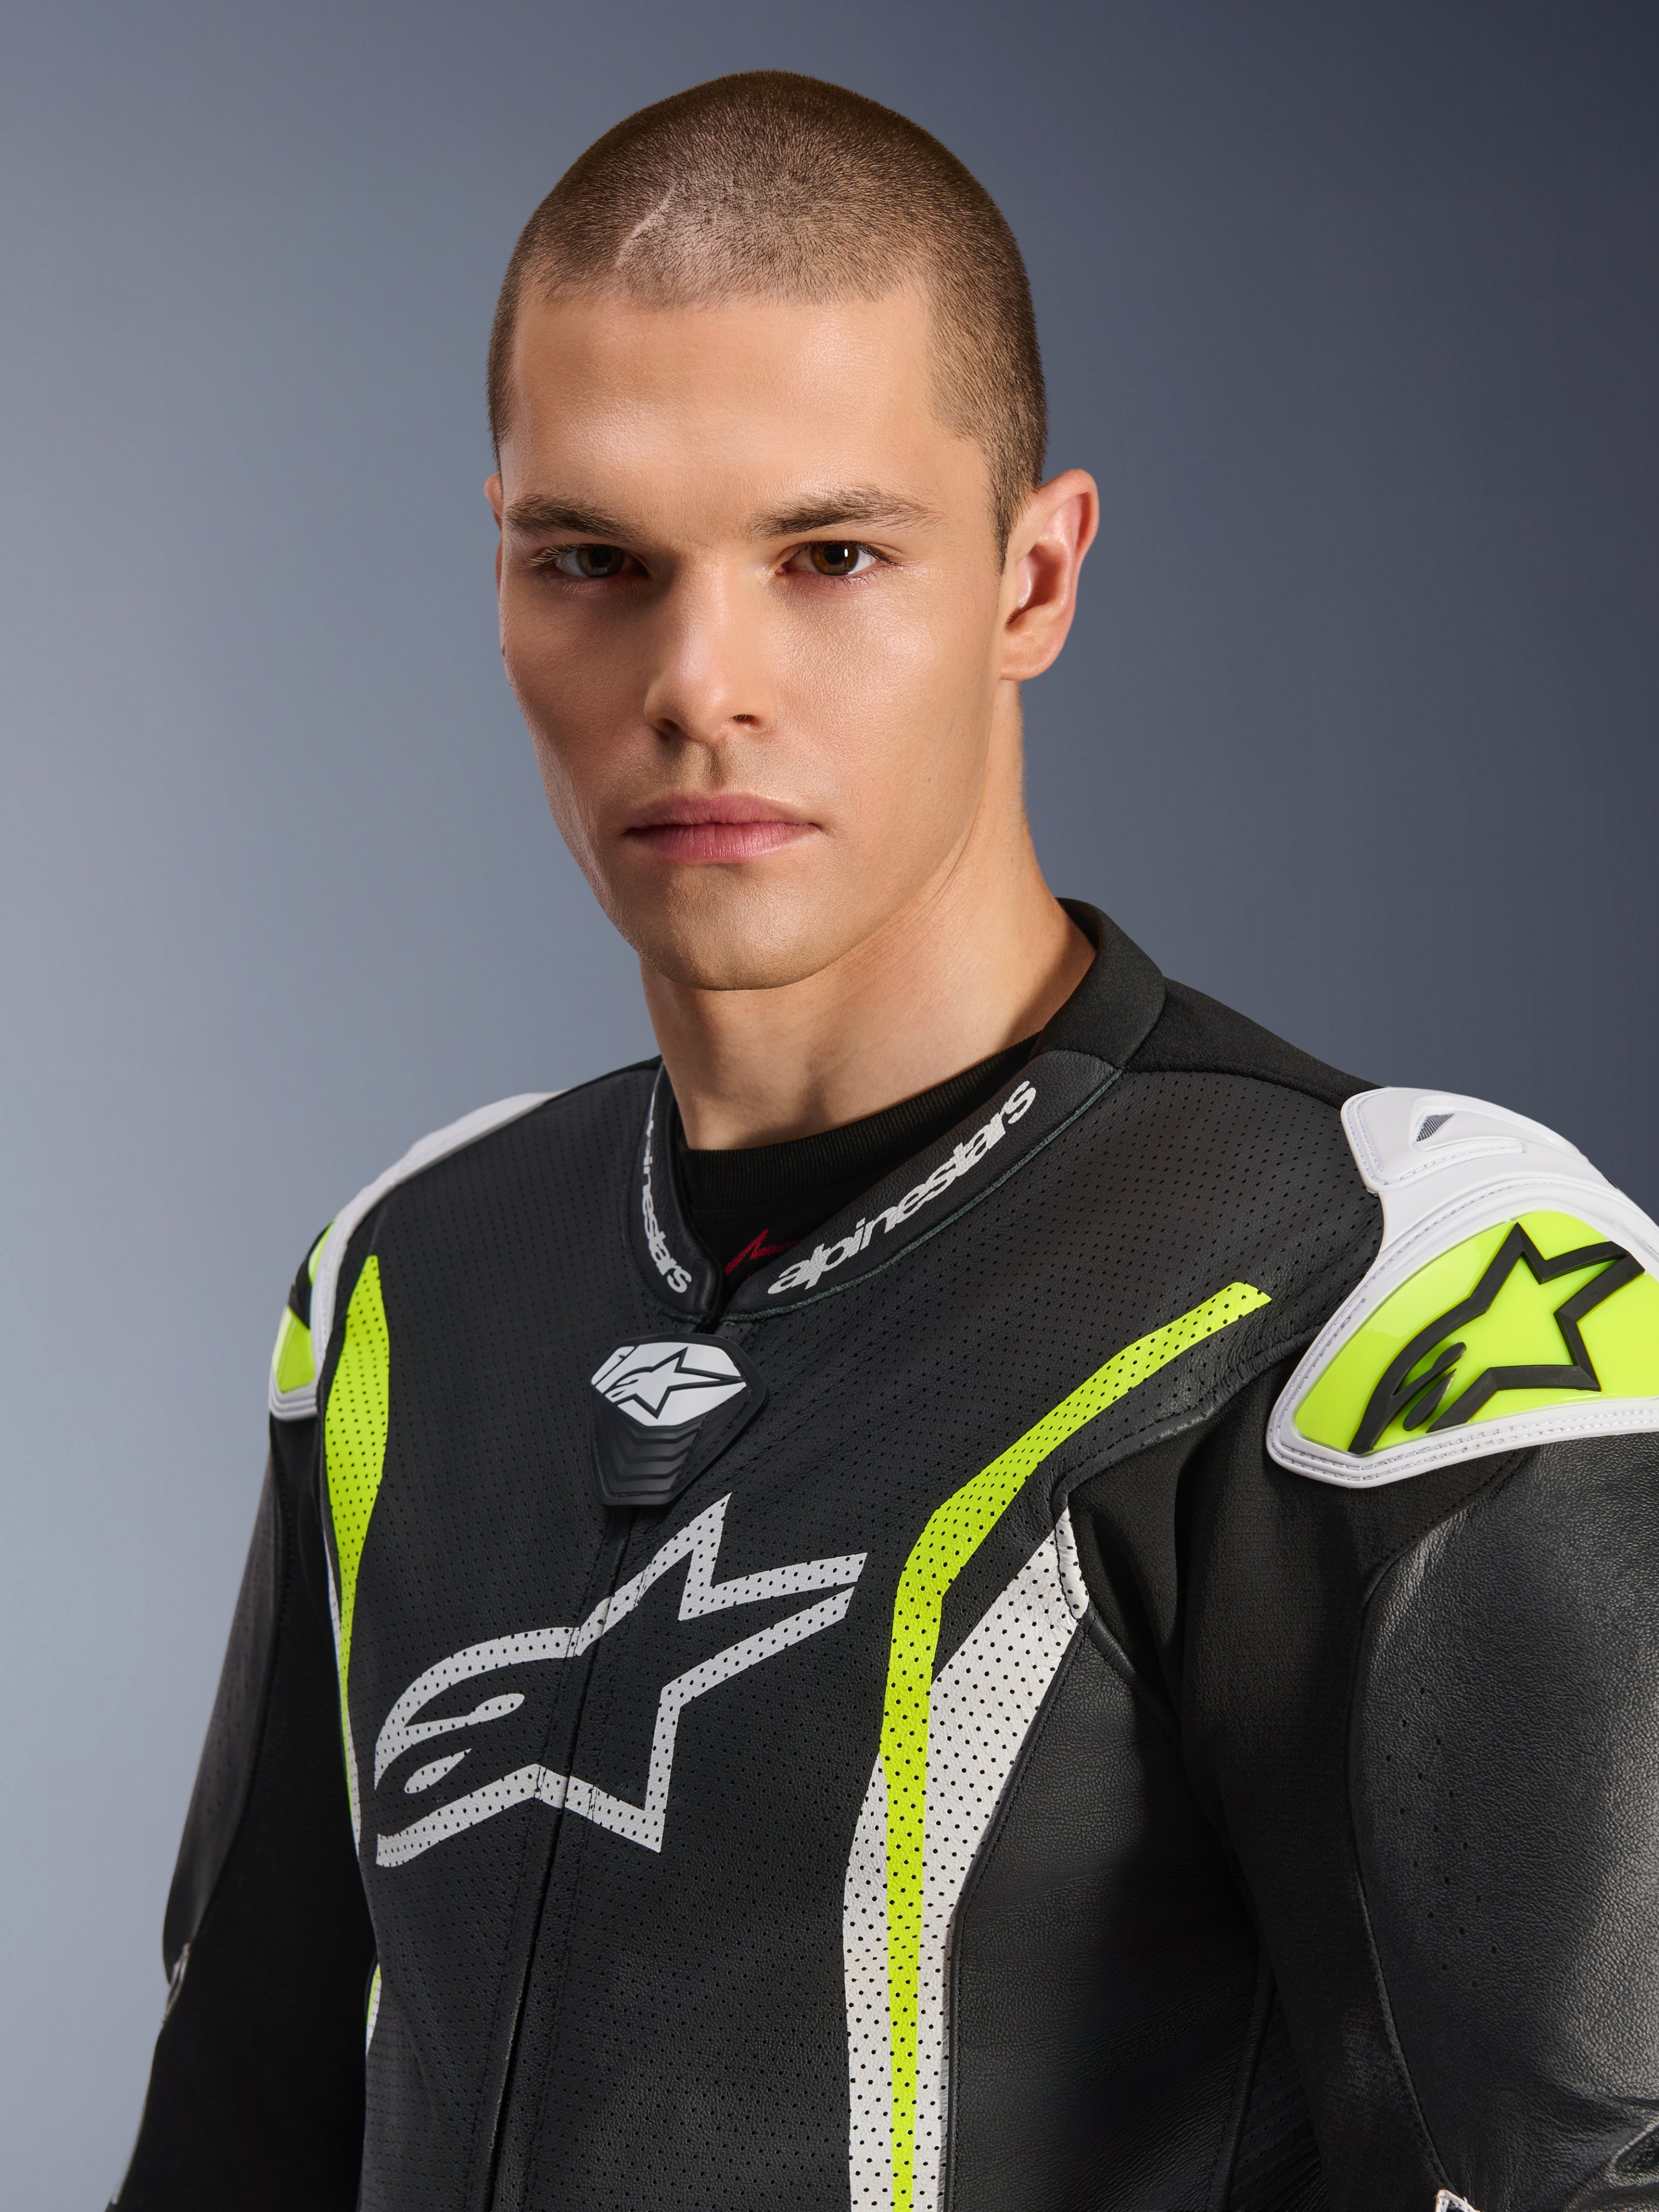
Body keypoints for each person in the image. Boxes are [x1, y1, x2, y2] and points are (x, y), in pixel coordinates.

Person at [111, 70, 1659, 2212]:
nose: (698, 681)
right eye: (594, 562)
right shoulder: (410, 1279)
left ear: (1033, 576)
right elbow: (234, 2136)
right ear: (501, 571)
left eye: (829, 555)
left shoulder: (1381, 1284)